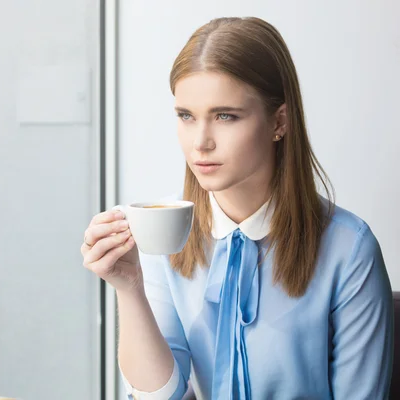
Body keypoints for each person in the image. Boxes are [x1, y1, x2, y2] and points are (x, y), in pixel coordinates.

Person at [81, 17, 393, 400]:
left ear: (279, 121)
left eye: (225, 116)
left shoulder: (349, 249)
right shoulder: (166, 239)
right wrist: (129, 287)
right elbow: (160, 396)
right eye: (186, 116)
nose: (200, 143)